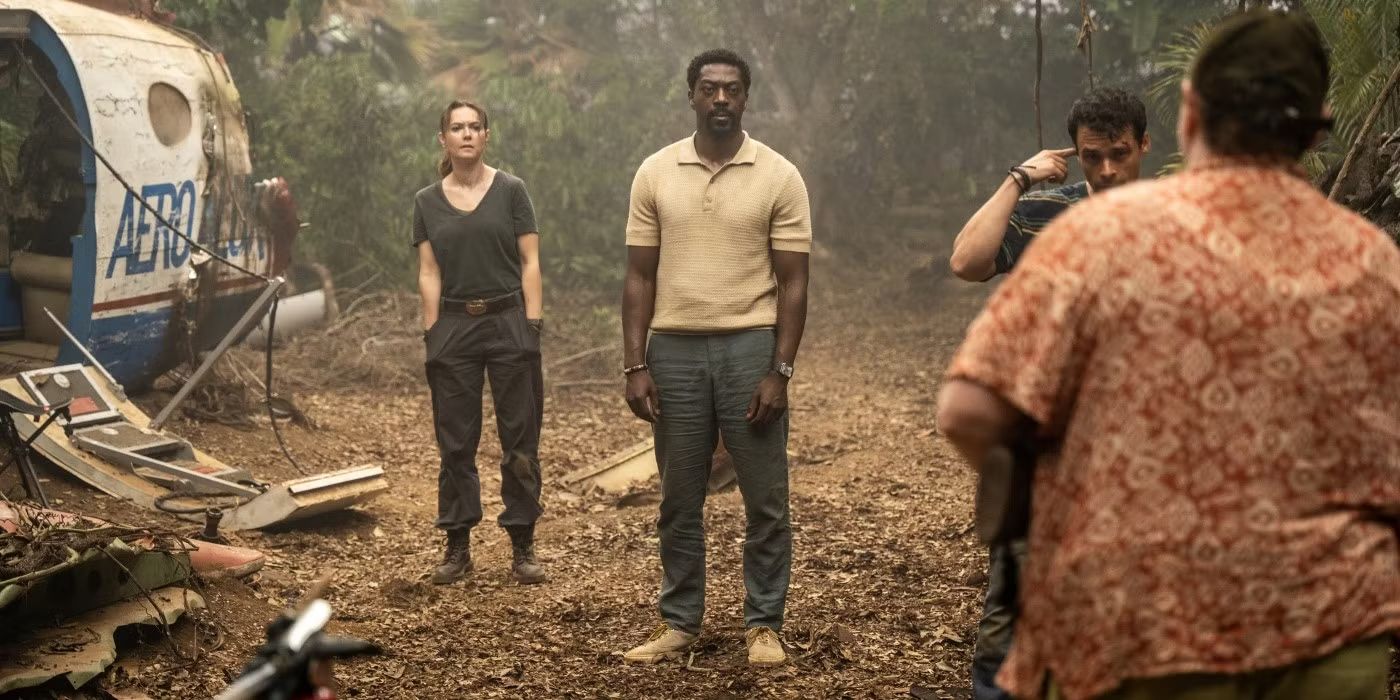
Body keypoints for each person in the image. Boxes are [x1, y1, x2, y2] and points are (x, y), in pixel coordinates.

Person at [937, 10, 1400, 700]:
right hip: (1330, 628)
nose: (1105, 168)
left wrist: (1061, 501)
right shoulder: (1373, 260)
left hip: (1149, 625)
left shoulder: (1100, 236)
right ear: (1317, 125)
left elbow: (970, 411)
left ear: (1186, 118)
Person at [948, 87, 1151, 700]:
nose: (1108, 169)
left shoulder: (1169, 220)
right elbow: (967, 260)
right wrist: (1019, 178)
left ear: (1144, 145)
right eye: (1093, 156)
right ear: (1076, 154)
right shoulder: (1045, 211)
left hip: (1139, 441)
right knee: (1013, 600)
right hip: (1045, 437)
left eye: (1120, 153)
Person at [619, 48, 812, 668]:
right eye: (709, 89)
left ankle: (763, 625)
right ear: (692, 96)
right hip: (672, 349)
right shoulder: (655, 172)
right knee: (679, 495)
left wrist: (779, 370)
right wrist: (635, 363)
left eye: (732, 89)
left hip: (749, 345)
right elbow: (638, 278)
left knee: (765, 495)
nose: (721, 99)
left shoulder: (779, 175)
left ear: (746, 97)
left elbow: (795, 283)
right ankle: (679, 622)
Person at [414, 99, 547, 587]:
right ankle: (458, 545)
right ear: (443, 139)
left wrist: (531, 326)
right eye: (457, 127)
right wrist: (433, 332)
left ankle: (522, 542)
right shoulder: (427, 201)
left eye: (474, 126)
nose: (466, 134)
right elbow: (429, 271)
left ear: (486, 135)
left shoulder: (512, 190)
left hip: (509, 320)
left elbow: (530, 261)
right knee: (455, 442)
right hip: (454, 327)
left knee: (520, 440)